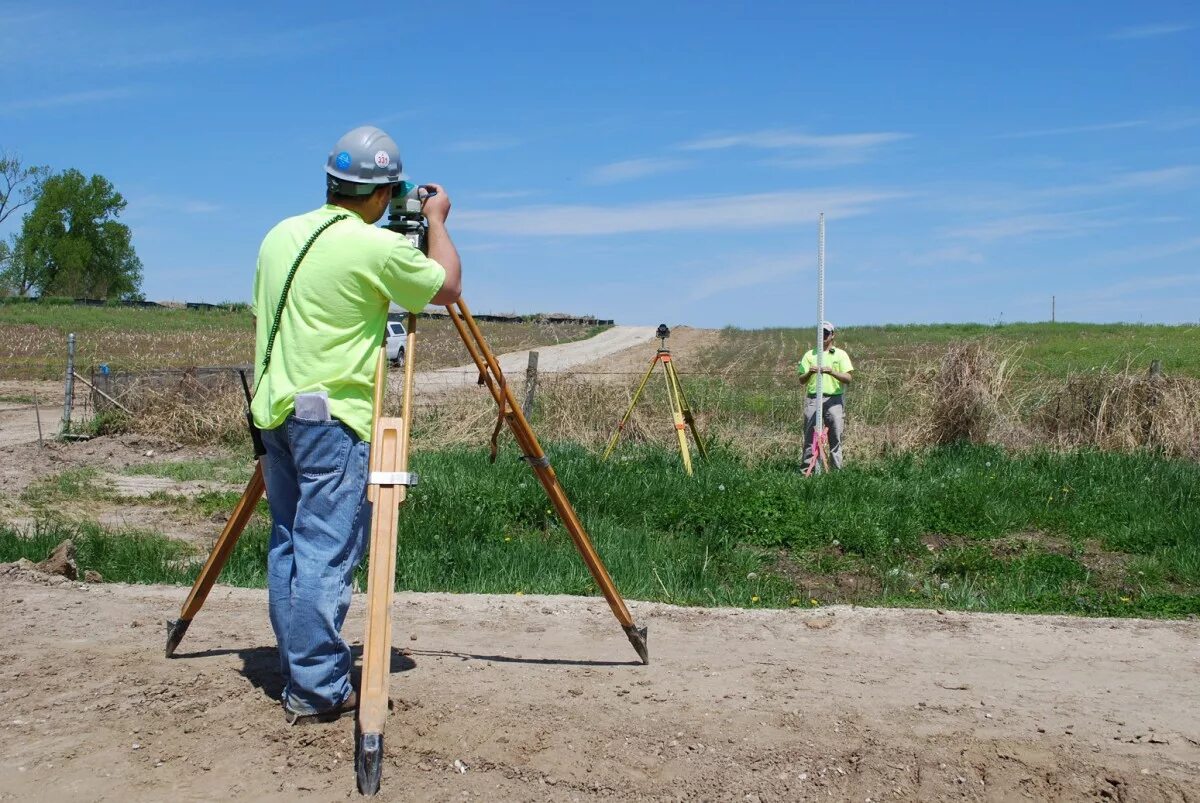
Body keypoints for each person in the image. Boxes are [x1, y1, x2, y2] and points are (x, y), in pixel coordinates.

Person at [250, 125, 462, 724]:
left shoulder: (279, 236)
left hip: (275, 413)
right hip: (332, 420)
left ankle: (299, 665)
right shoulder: (374, 248)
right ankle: (317, 689)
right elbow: (446, 285)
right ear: (381, 194)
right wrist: (437, 220)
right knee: (325, 551)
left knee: (290, 543)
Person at [796, 321, 853, 472]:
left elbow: (848, 378)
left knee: (835, 436)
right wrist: (810, 372)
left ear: (832, 335)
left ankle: (836, 472)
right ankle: (807, 470)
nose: (823, 336)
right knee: (809, 436)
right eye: (820, 333)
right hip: (813, 399)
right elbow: (801, 380)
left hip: (834, 400)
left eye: (826, 333)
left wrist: (831, 372)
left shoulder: (840, 355)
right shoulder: (809, 355)